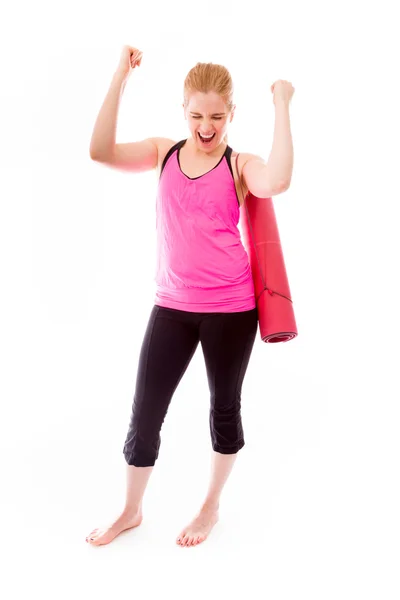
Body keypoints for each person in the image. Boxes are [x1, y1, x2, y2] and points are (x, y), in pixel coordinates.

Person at [87, 45, 294, 548]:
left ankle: (210, 506)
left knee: (224, 409)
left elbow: (279, 180)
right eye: (197, 114)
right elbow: (100, 151)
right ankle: (131, 509)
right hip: (172, 306)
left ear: (230, 115)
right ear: (183, 110)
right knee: (145, 410)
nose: (206, 125)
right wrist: (120, 75)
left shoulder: (240, 164)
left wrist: (282, 105)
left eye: (217, 116)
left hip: (231, 310)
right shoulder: (164, 153)